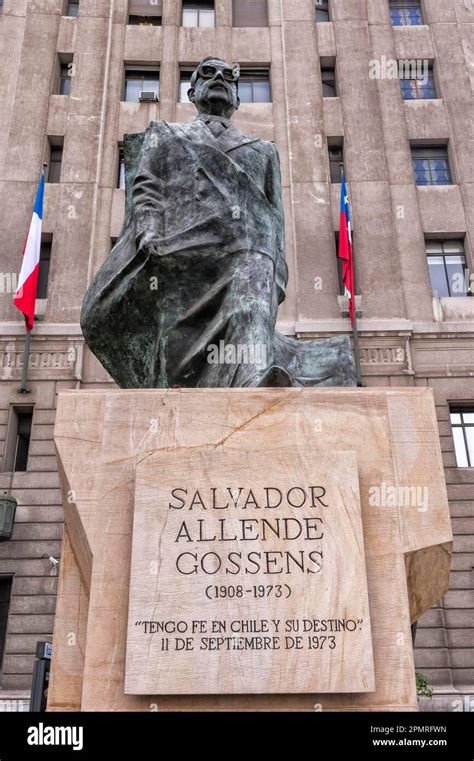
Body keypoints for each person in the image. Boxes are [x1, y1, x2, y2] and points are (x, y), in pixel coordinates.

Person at [81, 57, 355, 389]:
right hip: (180, 251)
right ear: (192, 92)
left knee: (253, 267)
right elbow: (147, 188)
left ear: (238, 99)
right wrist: (148, 232)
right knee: (250, 265)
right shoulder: (167, 135)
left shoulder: (263, 151)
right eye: (208, 73)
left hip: (245, 253)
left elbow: (274, 220)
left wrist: (275, 275)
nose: (220, 79)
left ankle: (253, 375)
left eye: (229, 76)